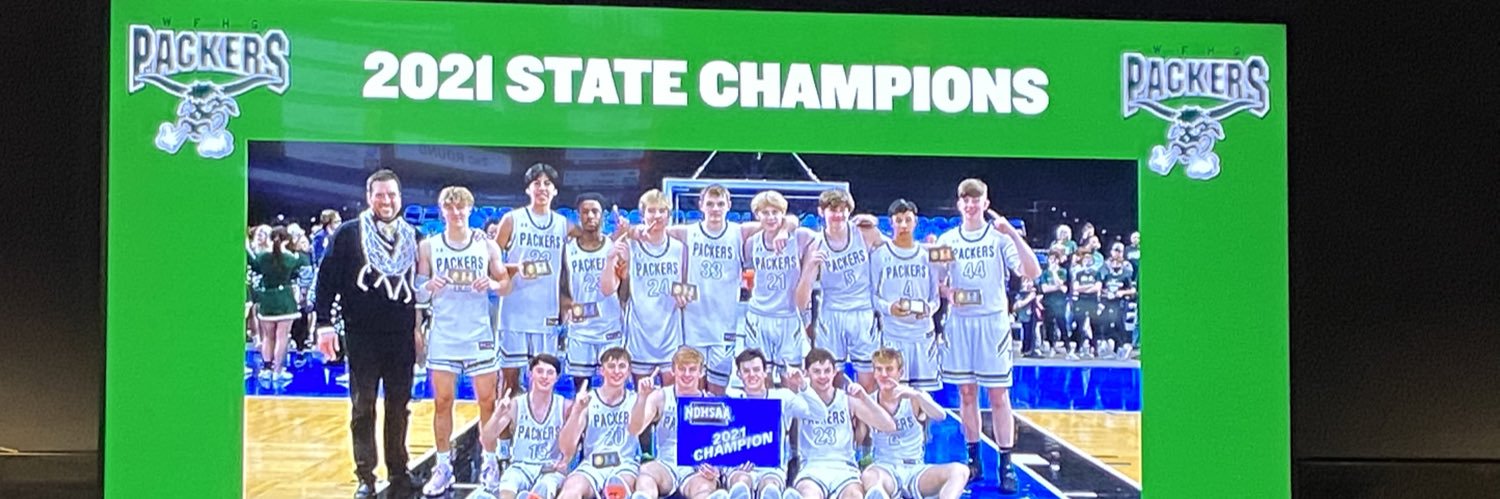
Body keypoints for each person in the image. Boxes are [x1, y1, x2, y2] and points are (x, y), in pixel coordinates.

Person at [313, 169, 424, 497]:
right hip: (361, 335)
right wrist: (324, 324)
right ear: (368, 197)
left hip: (401, 336)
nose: (386, 201)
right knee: (363, 406)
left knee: (399, 405)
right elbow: (326, 281)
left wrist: (421, 330)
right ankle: (365, 475)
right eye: (380, 195)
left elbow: (421, 290)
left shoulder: (415, 236)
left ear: (400, 198)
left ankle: (399, 470)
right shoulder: (348, 234)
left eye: (392, 194)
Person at [932, 178, 1040, 493]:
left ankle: (1006, 464)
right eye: (965, 199)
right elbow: (936, 280)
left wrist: (1015, 235)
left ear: (985, 204)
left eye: (975, 199)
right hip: (960, 323)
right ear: (959, 204)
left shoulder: (999, 238)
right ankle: (974, 459)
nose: (970, 204)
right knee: (966, 394)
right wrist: (947, 292)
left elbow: (1032, 272)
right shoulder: (948, 240)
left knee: (998, 395)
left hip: (992, 322)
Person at [416, 186, 514, 496]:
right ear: (442, 210)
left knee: (487, 402)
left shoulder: (486, 245)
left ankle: (490, 462)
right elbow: (418, 293)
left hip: (478, 334)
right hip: (445, 334)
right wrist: (429, 286)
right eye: (450, 207)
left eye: (461, 207)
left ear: (470, 210)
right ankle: (443, 466)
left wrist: (493, 284)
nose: (456, 212)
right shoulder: (429, 246)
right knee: (443, 402)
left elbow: (506, 284)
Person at [602, 190, 688, 384]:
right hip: (639, 331)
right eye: (651, 210)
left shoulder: (679, 248)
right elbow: (610, 248)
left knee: (669, 395)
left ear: (669, 215)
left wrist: (683, 298)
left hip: (670, 332)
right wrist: (623, 231)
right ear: (642, 215)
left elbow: (684, 285)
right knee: (642, 392)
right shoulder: (630, 245)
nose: (657, 215)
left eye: (662, 211)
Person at [860, 348, 970, 499]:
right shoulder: (868, 402)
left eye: (889, 369)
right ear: (874, 373)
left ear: (900, 372)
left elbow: (940, 416)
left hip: (915, 469)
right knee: (870, 476)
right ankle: (881, 494)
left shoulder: (914, 397)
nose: (884, 374)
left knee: (960, 471)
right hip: (885, 469)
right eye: (879, 369)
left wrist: (917, 395)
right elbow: (860, 439)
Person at [790, 348, 897, 499]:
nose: (823, 376)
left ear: (835, 372)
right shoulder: (798, 401)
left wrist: (865, 398)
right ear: (806, 373)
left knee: (855, 495)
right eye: (817, 371)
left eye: (827, 371)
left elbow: (888, 426)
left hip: (844, 468)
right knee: (808, 494)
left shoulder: (847, 400)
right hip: (812, 468)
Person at [720, 348, 827, 499]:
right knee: (740, 483)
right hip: (739, 468)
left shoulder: (783, 397)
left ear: (765, 372)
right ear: (739, 374)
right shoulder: (731, 399)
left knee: (770, 487)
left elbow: (820, 414)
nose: (752, 375)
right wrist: (731, 462)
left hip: (772, 469)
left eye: (756, 370)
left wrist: (803, 385)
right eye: (746, 371)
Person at [810, 189, 885, 394]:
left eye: (842, 210)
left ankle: (864, 416)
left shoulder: (865, 232)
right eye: (832, 210)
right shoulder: (816, 243)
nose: (838, 214)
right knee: (831, 379)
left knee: (868, 382)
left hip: (862, 311)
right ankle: (839, 414)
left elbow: (893, 250)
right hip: (831, 313)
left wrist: (875, 222)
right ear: (821, 212)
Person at [740, 190, 819, 382]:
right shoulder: (752, 242)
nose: (770, 217)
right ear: (757, 215)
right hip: (759, 315)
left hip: (788, 315)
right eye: (765, 213)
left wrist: (787, 229)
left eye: (775, 212)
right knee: (760, 378)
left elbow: (816, 235)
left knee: (791, 378)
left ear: (783, 213)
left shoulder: (800, 237)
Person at [627, 347, 721, 499]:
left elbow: (723, 445)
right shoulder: (660, 397)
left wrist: (716, 469)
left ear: (701, 372)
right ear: (673, 370)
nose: (687, 374)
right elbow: (634, 429)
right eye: (682, 369)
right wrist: (642, 398)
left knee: (706, 487)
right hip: (666, 466)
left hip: (696, 469)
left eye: (692, 369)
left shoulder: (713, 403)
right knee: (646, 473)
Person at [869, 199, 941, 392]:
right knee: (894, 393)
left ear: (915, 222)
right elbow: (871, 296)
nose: (903, 225)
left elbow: (935, 297)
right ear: (890, 223)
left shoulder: (927, 255)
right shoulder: (879, 255)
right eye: (898, 220)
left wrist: (929, 309)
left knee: (923, 395)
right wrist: (888, 308)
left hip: (923, 335)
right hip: (893, 335)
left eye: (908, 220)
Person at [477, 354, 570, 499]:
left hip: (550, 469)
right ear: (530, 374)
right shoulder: (516, 405)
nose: (544, 377)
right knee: (508, 484)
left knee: (545, 487)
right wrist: (497, 414)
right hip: (520, 466)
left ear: (557, 377)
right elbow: (486, 439)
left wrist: (565, 461)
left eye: (550, 372)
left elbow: (575, 442)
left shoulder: (565, 406)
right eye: (539, 371)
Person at [561, 193, 627, 389]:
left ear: (603, 215)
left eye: (595, 211)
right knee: (581, 390)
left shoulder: (614, 247)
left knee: (614, 386)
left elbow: (624, 287)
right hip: (580, 330)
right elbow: (561, 285)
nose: (590, 216)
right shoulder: (568, 250)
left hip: (610, 327)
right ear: (578, 215)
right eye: (585, 212)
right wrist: (566, 306)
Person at [558, 347, 642, 499]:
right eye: (611, 366)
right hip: (592, 464)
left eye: (622, 366)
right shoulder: (587, 401)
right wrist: (576, 411)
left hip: (625, 465)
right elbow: (566, 448)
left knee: (619, 488)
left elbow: (639, 428)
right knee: (571, 489)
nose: (617, 371)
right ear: (601, 371)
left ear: (629, 372)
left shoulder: (636, 400)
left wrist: (645, 397)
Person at [249, 226, 311, 382]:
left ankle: (266, 369)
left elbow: (253, 263)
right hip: (286, 301)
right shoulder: (292, 258)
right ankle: (277, 371)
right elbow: (304, 270)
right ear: (287, 240)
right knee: (282, 337)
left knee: (268, 337)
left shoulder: (262, 257)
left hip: (267, 301)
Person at [1099, 242, 1137, 360]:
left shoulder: (1125, 276)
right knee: (1107, 324)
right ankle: (1111, 347)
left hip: (1120, 303)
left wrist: (1121, 293)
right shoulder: (1108, 276)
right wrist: (1106, 293)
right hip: (1108, 303)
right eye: (1113, 263)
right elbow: (1102, 288)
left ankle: (1123, 347)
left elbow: (1132, 290)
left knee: (1119, 324)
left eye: (1117, 263)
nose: (1115, 265)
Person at [1069, 247, 1103, 360]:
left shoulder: (1096, 273)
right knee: (1079, 324)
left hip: (1093, 301)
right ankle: (1078, 347)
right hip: (1081, 301)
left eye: (1089, 259)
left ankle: (1094, 347)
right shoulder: (1078, 273)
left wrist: (1085, 289)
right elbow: (1076, 288)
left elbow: (1097, 287)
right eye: (1085, 259)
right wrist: (1089, 287)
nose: (1087, 261)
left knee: (1094, 324)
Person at [1038, 246, 1072, 358]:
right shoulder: (1044, 273)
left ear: (1057, 260)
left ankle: (1067, 347)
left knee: (1062, 323)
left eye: (1053, 259)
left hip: (1060, 302)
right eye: (1050, 259)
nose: (1051, 261)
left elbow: (1063, 287)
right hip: (1048, 301)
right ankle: (1052, 346)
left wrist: (1054, 274)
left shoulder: (1063, 271)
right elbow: (1044, 289)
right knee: (1049, 324)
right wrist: (1056, 287)